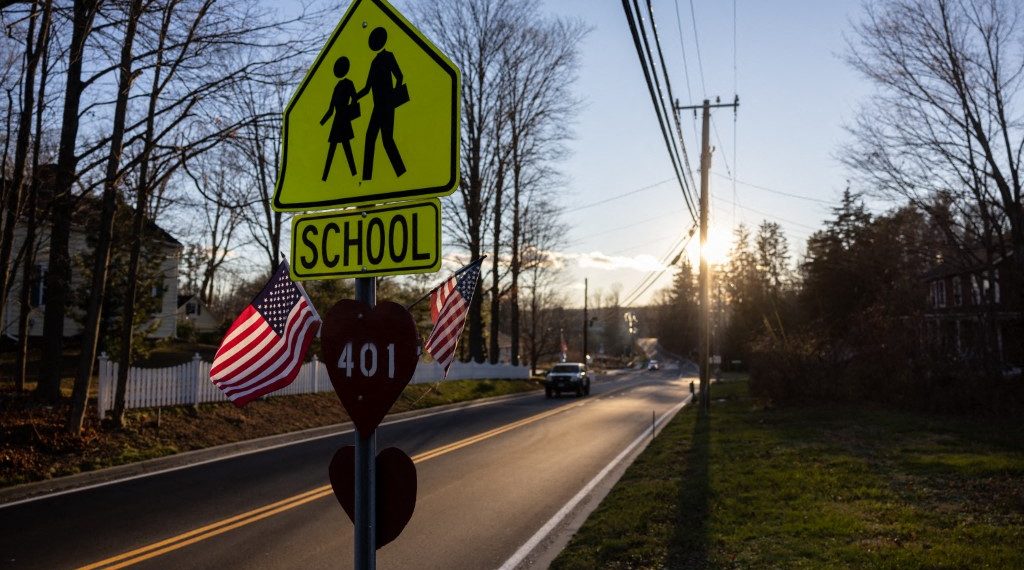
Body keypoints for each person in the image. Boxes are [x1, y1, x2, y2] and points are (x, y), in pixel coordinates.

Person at [356, 27, 407, 181]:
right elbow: (367, 87)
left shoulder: (388, 56)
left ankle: (402, 173)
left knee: (386, 139)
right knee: (370, 137)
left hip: (387, 105)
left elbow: (399, 76)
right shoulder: (374, 61)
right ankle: (366, 178)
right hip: (377, 107)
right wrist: (355, 97)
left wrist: (394, 95)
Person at [320, 56, 359, 181]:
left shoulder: (349, 83)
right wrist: (321, 123)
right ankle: (324, 178)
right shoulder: (336, 87)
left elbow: (354, 97)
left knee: (347, 149)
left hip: (344, 119)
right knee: (332, 149)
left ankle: (354, 175)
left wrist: (349, 111)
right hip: (337, 121)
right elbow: (331, 109)